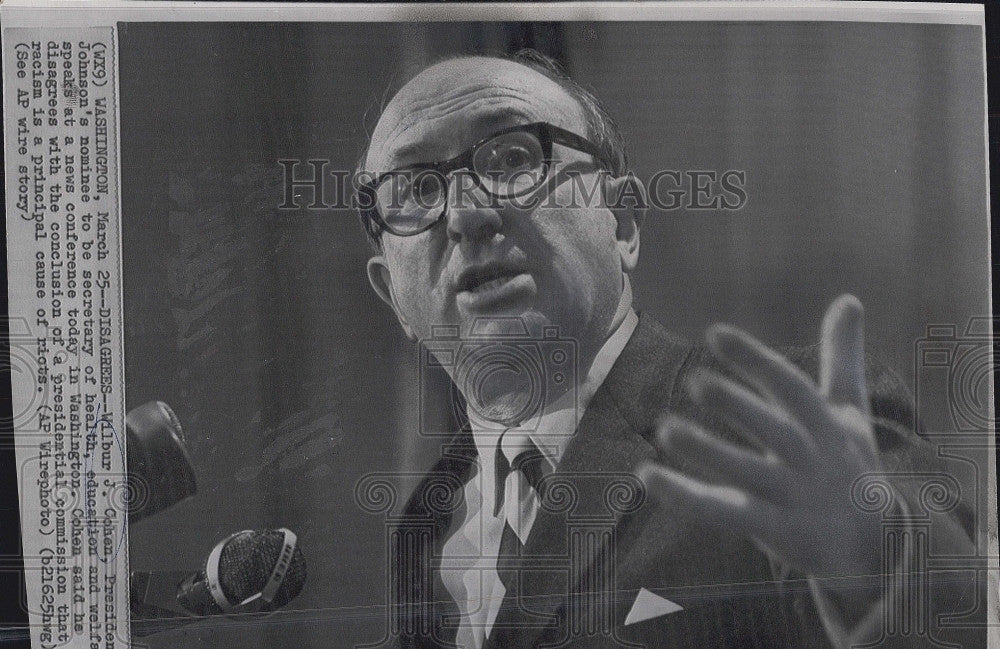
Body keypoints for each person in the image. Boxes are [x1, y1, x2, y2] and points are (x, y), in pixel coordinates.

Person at [356, 50, 978, 649]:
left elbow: (966, 620)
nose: (466, 215)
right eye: (415, 188)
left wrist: (876, 562)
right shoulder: (424, 526)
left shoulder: (780, 423)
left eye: (514, 158)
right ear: (391, 297)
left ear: (622, 223)